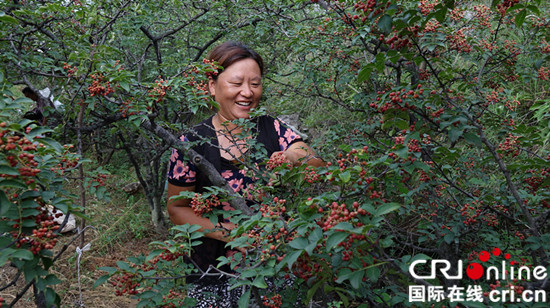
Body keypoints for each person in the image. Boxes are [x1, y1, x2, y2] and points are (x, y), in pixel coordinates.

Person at [166, 41, 323, 307]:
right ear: (212, 86)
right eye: (236, 83)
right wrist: (233, 233)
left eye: (255, 83)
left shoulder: (271, 128)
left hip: (275, 265)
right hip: (213, 272)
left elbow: (316, 164)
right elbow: (177, 210)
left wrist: (291, 157)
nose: (247, 92)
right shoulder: (192, 143)